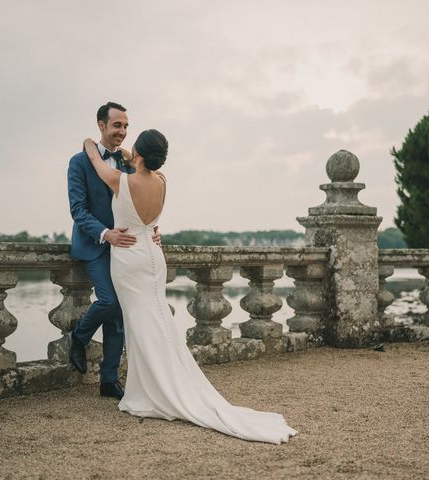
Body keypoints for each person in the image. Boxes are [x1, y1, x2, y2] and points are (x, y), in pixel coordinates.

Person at [81, 131, 297, 444]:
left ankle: (151, 391)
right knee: (155, 319)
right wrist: (131, 154)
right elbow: (133, 162)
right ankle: (157, 383)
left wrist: (91, 143)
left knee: (141, 323)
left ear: (138, 154)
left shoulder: (120, 180)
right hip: (153, 254)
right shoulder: (162, 181)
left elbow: (97, 163)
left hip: (129, 258)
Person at [67, 102, 160, 399]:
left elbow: (143, 194)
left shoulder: (128, 163)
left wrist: (151, 227)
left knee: (120, 313)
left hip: (128, 250)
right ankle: (79, 337)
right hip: (95, 246)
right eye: (117, 125)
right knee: (108, 301)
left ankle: (109, 380)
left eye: (126, 126)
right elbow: (78, 210)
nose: (122, 131)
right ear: (101, 125)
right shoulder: (79, 162)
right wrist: (106, 234)